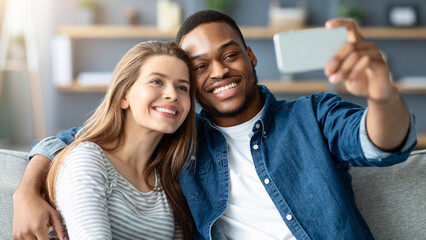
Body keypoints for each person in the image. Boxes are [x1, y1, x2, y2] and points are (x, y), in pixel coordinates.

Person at [13, 10, 416, 240]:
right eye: (199, 68)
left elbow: (379, 142)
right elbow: (72, 141)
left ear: (251, 57)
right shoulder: (180, 140)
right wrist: (26, 193)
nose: (219, 72)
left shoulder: (312, 115)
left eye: (230, 55)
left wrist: (381, 96)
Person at [15, 41, 197, 239]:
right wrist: (26, 191)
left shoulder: (168, 179)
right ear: (123, 96)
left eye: (182, 87)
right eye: (156, 81)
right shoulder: (87, 159)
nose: (173, 94)